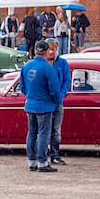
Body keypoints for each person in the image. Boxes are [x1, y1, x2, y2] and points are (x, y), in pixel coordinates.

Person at [19, 41, 62, 172]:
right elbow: (54, 90)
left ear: (36, 51)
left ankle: (32, 161)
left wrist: (31, 96)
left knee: (32, 133)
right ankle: (42, 162)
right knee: (43, 134)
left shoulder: (26, 66)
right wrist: (55, 101)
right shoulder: (48, 68)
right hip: (45, 106)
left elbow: (22, 87)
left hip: (30, 105)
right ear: (46, 51)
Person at [45, 41, 70, 165]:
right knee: (43, 130)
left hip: (57, 102)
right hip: (45, 101)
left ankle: (54, 154)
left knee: (55, 130)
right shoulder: (42, 63)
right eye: (49, 49)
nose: (51, 52)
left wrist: (61, 94)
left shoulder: (62, 63)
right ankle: (43, 156)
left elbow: (67, 80)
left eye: (53, 49)